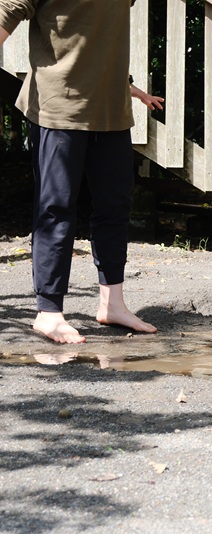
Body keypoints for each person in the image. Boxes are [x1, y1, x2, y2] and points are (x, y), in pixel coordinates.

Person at [0, 0, 164, 344]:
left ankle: (112, 304)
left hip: (111, 109)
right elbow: (5, 13)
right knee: (56, 208)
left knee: (115, 206)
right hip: (58, 108)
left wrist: (127, 85)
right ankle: (48, 312)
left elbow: (97, 33)